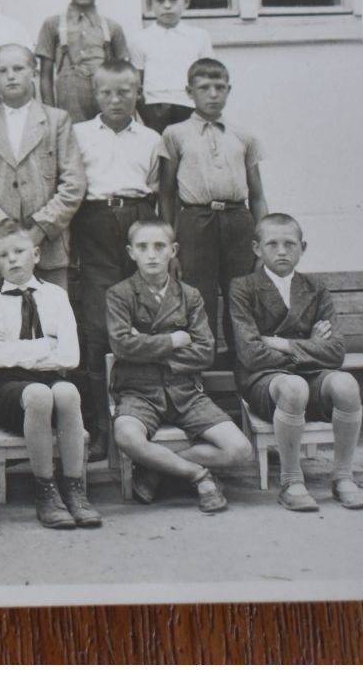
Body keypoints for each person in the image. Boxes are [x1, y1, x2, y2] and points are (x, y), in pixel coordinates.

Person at [107, 219, 252, 513]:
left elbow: (204, 353)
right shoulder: (119, 295)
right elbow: (122, 345)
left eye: (159, 246)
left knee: (240, 449)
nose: (151, 254)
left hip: (186, 391)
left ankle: (157, 470)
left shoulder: (190, 296)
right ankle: (197, 474)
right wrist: (174, 340)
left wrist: (146, 344)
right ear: (130, 252)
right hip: (139, 390)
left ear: (172, 250)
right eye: (142, 247)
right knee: (126, 435)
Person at [230, 214, 363, 511]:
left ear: (302, 247)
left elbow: (335, 352)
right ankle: (291, 481)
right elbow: (251, 354)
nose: (281, 251)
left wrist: (281, 342)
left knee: (346, 384)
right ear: (257, 249)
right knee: (294, 387)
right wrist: (311, 343)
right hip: (265, 381)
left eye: (289, 244)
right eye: (272, 244)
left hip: (312, 376)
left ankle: (343, 477)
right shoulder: (243, 288)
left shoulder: (315, 288)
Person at [69, 58, 166, 458]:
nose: (115, 99)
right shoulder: (77, 135)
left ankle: (142, 419)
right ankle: (102, 427)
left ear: (138, 91)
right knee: (96, 327)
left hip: (139, 223)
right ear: (95, 93)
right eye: (107, 92)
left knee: (141, 320)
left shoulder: (151, 138)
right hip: (93, 225)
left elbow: (158, 194)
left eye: (124, 91)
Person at [0, 222, 100, 530]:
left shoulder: (55, 296)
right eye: (3, 255)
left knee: (68, 393)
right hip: (8, 390)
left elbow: (71, 357)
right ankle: (45, 489)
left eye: (19, 252)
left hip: (52, 379)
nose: (13, 260)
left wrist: (20, 349)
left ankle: (74, 488)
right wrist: (47, 346)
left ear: (35, 254)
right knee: (39, 394)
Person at [160, 57, 268, 355]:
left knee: (241, 294)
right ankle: (201, 366)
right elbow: (166, 194)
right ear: (189, 91)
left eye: (219, 87)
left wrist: (263, 240)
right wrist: (170, 244)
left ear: (229, 90)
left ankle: (244, 366)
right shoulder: (175, 134)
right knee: (197, 295)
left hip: (237, 220)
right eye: (204, 87)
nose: (212, 94)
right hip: (195, 220)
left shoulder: (243, 135)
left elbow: (257, 195)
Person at [0, 43, 84, 290]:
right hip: (0, 249)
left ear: (35, 73)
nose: (11, 75)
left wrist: (39, 229)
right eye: (2, 70)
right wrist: (1, 234)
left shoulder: (56, 121)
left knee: (51, 319)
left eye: (18, 68)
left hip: (48, 245)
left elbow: (73, 184)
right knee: (2, 319)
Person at [35, 0, 129, 123]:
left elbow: (125, 74)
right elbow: (45, 76)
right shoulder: (52, 24)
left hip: (106, 101)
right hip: (68, 106)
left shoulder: (112, 27)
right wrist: (50, 113)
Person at [130, 0, 213, 134]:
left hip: (190, 105)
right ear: (150, 4)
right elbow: (137, 81)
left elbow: (207, 76)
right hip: (154, 107)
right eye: (160, 1)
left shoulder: (199, 36)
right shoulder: (139, 39)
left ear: (186, 1)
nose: (167, 6)